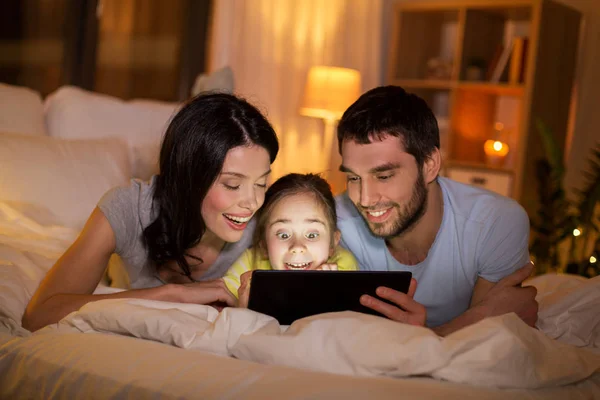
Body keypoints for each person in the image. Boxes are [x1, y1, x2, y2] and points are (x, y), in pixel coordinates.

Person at [22, 92, 279, 332]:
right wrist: (170, 295)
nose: (253, 202)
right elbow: (39, 315)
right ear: (189, 178)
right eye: (233, 185)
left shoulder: (265, 225)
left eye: (261, 184)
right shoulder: (128, 209)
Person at [335, 85, 538, 336]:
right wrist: (482, 316)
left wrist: (423, 338)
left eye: (384, 176)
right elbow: (354, 344)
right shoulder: (334, 222)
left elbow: (483, 347)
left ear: (429, 165)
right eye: (354, 178)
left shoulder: (495, 222)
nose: (365, 199)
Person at [222, 173, 358, 307]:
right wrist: (243, 308)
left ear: (332, 243)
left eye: (312, 235)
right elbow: (222, 302)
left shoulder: (342, 268)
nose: (297, 246)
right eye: (283, 235)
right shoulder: (248, 265)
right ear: (263, 245)